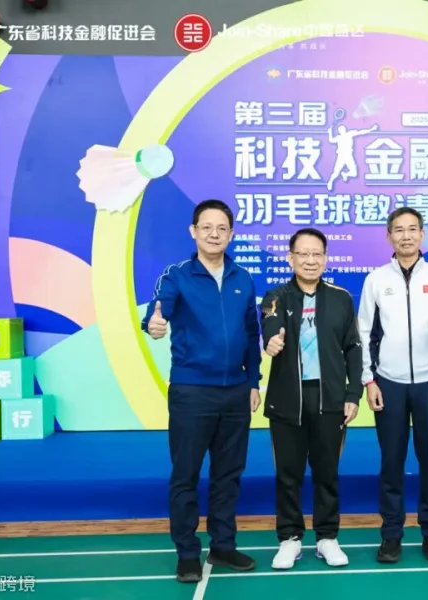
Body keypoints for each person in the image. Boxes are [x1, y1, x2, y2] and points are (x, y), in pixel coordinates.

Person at [142, 199, 263, 583]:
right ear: (193, 231)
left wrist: (254, 381)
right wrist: (154, 324)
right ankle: (187, 553)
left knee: (229, 474)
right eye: (206, 227)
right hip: (192, 391)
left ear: (231, 234)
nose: (214, 234)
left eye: (222, 228)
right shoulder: (177, 275)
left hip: (236, 392)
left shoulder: (243, 278)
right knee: (186, 474)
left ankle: (223, 545)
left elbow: (252, 334)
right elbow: (159, 311)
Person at [357, 207, 428, 564]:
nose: (406, 236)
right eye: (399, 230)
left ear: (422, 235)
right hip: (389, 383)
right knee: (391, 461)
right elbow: (364, 332)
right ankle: (391, 535)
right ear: (389, 236)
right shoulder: (375, 280)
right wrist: (369, 380)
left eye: (412, 229)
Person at [259, 227, 364, 570]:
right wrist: (272, 341)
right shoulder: (276, 296)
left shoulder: (340, 298)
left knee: (327, 472)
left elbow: (353, 348)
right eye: (303, 254)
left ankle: (327, 538)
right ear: (290, 259)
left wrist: (353, 393)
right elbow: (270, 325)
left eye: (316, 254)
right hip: (287, 399)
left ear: (325, 258)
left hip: (330, 398)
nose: (310, 260)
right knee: (287, 474)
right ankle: (289, 539)